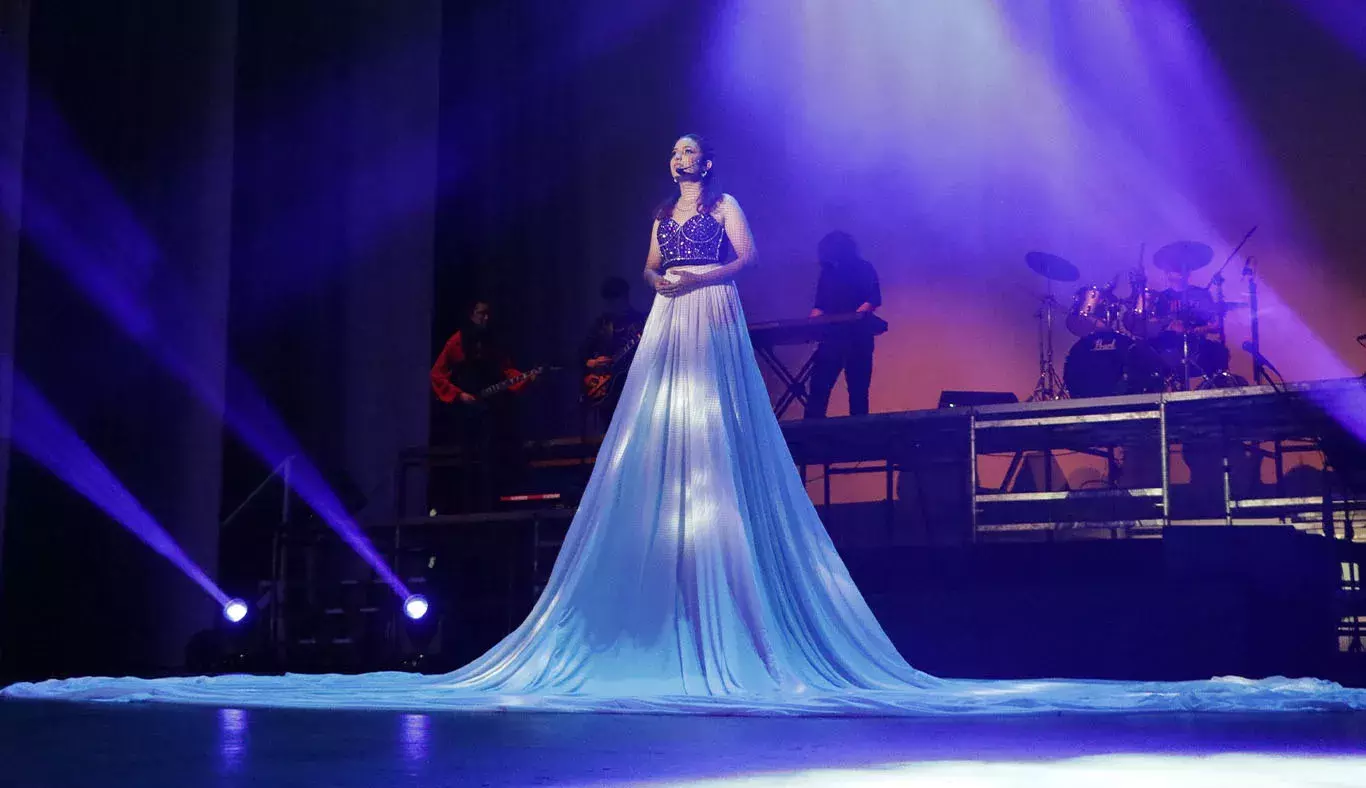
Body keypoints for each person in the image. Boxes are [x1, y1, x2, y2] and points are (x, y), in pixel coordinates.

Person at [10, 137, 1365, 716]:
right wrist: (659, 280)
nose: (677, 176)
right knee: (650, 457)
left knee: (725, 450)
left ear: (701, 171)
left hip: (709, 326)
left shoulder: (721, 218)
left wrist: (694, 273)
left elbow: (736, 264)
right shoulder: (656, 225)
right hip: (667, 330)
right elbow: (654, 266)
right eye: (668, 167)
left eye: (684, 165)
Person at [429, 299, 537, 512]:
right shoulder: (457, 341)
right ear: (471, 315)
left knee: (491, 457)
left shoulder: (493, 343)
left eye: (488, 314)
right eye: (481, 314)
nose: (486, 318)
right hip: (466, 410)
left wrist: (526, 378)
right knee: (468, 459)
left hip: (491, 407)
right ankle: (467, 510)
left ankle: (490, 509)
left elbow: (507, 372)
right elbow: (437, 374)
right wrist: (459, 395)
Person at [805, 231, 882, 418]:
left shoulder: (864, 268)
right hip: (832, 339)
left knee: (857, 391)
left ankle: (858, 437)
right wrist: (807, 326)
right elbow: (820, 306)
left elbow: (873, 299)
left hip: (858, 337)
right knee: (819, 388)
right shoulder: (828, 273)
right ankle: (811, 434)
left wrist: (855, 317)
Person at [578, 276, 646, 428]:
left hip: (634, 384)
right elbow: (581, 354)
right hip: (606, 387)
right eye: (609, 300)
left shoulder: (641, 321)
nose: (612, 304)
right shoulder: (601, 324)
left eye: (616, 298)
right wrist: (593, 363)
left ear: (625, 297)